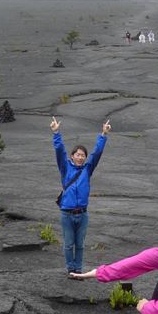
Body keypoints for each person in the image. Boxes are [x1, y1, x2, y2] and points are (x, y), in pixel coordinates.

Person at [50, 117, 111, 276]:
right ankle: (71, 269)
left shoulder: (87, 169)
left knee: (80, 245)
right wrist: (56, 132)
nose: (80, 157)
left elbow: (97, 153)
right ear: (72, 157)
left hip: (82, 214)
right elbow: (59, 151)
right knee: (69, 244)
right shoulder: (65, 168)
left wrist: (103, 135)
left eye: (83, 155)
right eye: (77, 155)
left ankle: (78, 269)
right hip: (67, 214)